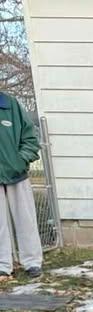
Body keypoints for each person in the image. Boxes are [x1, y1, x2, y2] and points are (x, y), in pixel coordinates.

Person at [0, 91, 42, 280]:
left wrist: (20, 160)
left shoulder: (11, 105)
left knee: (26, 220)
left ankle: (32, 262)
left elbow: (30, 139)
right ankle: (3, 265)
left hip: (18, 175)